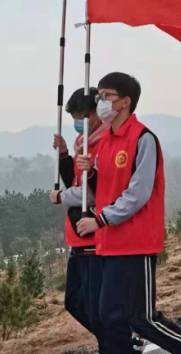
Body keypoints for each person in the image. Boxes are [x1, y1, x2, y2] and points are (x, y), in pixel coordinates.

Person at [61, 72, 181, 354]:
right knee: (108, 317)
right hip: (109, 243)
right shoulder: (106, 142)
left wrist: (100, 220)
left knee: (141, 319)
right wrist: (90, 172)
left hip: (135, 242)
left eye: (106, 96)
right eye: (100, 97)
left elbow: (138, 193)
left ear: (125, 101)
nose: (101, 103)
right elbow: (103, 189)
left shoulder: (143, 138)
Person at [50, 87, 106, 344]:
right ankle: (120, 341)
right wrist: (64, 155)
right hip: (77, 237)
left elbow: (90, 194)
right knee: (74, 301)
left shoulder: (102, 145)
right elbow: (73, 179)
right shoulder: (83, 143)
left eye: (80, 118)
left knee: (95, 305)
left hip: (94, 237)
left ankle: (118, 343)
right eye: (73, 119)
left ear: (95, 114)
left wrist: (61, 197)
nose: (77, 125)